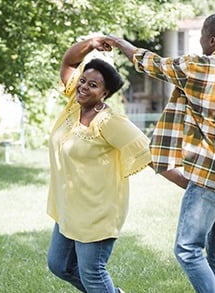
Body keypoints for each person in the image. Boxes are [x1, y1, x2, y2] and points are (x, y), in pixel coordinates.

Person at [104, 12, 215, 293]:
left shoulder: (198, 66)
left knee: (187, 249)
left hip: (210, 176)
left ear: (212, 39)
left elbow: (151, 64)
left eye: (202, 34)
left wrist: (118, 42)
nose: (200, 39)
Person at [46, 36, 154, 293]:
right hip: (70, 207)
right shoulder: (75, 104)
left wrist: (189, 181)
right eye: (83, 80)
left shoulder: (109, 121)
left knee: (92, 273)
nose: (83, 86)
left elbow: (146, 152)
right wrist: (92, 43)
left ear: (105, 93)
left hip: (97, 212)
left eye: (92, 85)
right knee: (59, 265)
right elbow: (69, 61)